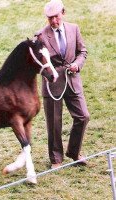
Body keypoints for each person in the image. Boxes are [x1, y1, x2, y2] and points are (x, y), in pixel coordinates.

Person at [35, 0, 90, 169]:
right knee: (54, 123)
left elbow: (82, 51)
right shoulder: (40, 36)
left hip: (73, 80)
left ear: (63, 13)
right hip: (52, 85)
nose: (54, 21)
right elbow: (36, 61)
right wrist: (46, 73)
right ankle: (56, 159)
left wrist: (77, 64)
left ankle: (74, 152)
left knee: (83, 116)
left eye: (56, 17)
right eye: (50, 18)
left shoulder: (74, 29)